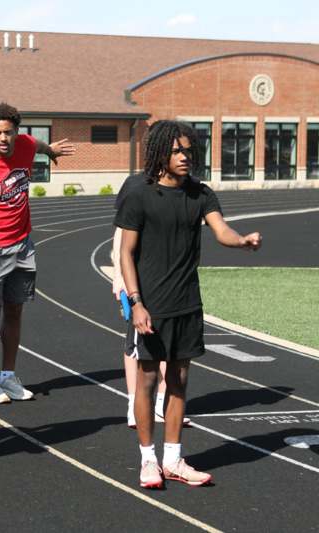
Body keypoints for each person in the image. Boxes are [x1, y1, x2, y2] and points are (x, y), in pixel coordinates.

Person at [115, 120, 261, 489]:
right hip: (150, 303)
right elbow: (125, 253)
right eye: (177, 150)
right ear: (160, 153)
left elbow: (221, 229)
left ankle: (174, 459)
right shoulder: (139, 194)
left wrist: (241, 241)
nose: (184, 157)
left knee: (178, 381)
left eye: (188, 151)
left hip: (187, 302)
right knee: (147, 381)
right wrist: (136, 303)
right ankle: (148, 460)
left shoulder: (201, 194)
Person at [0, 102, 75, 404]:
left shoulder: (24, 145)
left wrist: (49, 150)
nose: (3, 139)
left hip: (23, 245)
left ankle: (8, 376)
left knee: (15, 310)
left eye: (8, 132)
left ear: (16, 132)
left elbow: (34, 143)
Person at [111, 176, 191, 429]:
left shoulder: (186, 185)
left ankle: (160, 402)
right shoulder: (135, 185)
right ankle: (134, 403)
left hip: (172, 281)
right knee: (137, 344)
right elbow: (121, 233)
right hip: (140, 280)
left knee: (171, 346)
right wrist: (118, 275)